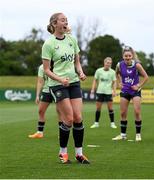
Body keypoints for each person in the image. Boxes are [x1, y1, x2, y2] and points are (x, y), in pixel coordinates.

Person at [42, 12, 90, 164]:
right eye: (63, 20)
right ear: (54, 24)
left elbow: (76, 62)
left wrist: (81, 73)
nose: (66, 22)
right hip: (57, 84)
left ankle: (79, 154)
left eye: (67, 20)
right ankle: (62, 153)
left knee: (78, 117)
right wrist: (60, 79)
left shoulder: (72, 39)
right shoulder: (48, 44)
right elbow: (46, 70)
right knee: (68, 119)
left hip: (74, 82)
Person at [112, 46, 148, 141]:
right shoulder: (119, 65)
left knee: (137, 112)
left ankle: (138, 134)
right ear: (123, 56)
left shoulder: (137, 65)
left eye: (129, 56)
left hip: (135, 91)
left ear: (132, 56)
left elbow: (146, 77)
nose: (127, 57)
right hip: (125, 90)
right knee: (123, 113)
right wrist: (119, 82)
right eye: (125, 56)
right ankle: (123, 135)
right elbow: (116, 73)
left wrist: (139, 86)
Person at [28, 64, 62, 138]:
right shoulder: (41, 67)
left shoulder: (58, 64)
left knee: (60, 111)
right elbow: (40, 81)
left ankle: (62, 133)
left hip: (58, 89)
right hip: (46, 91)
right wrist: (37, 95)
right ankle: (40, 132)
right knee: (41, 111)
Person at [90, 57, 117, 129]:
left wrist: (114, 91)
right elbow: (95, 80)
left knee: (110, 108)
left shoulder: (113, 72)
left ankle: (112, 123)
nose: (108, 64)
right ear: (104, 63)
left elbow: (114, 82)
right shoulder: (98, 71)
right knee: (98, 108)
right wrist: (93, 89)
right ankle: (96, 123)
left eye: (110, 63)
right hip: (100, 91)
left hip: (108, 92)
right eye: (107, 63)